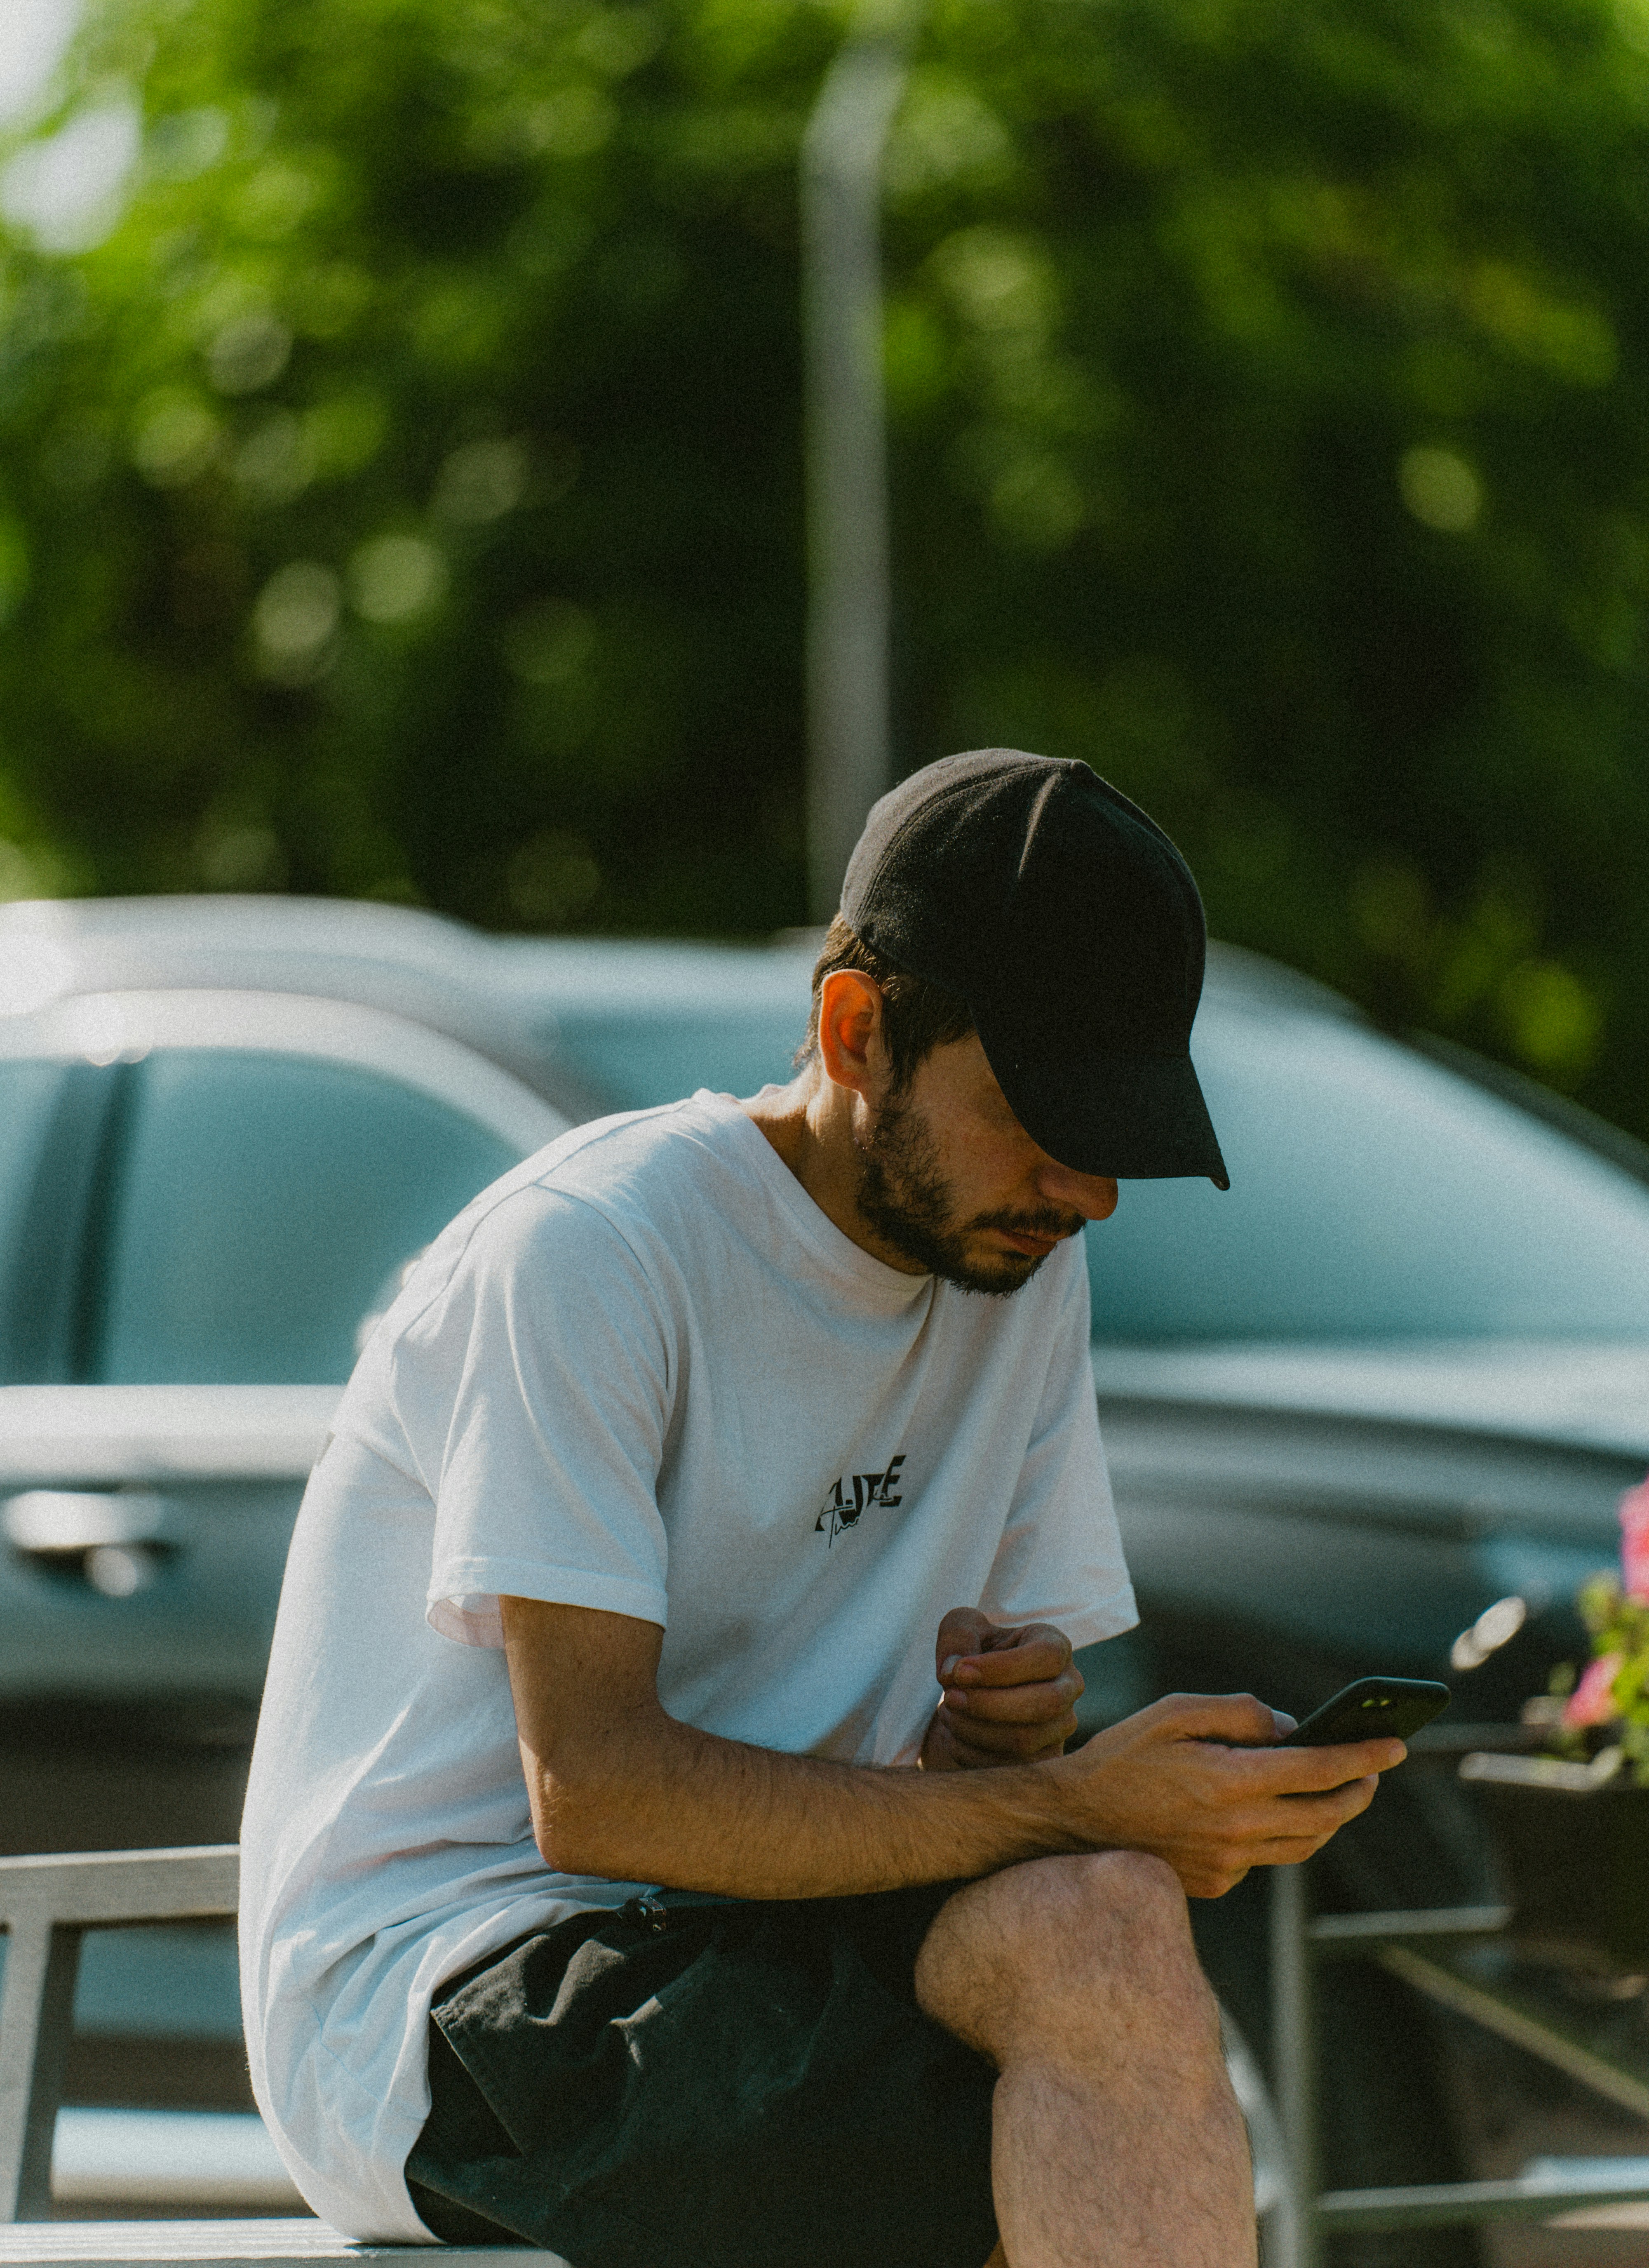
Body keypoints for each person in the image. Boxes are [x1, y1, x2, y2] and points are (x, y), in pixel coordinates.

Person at [240, 749, 1402, 2268]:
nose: (1091, 1190)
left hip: (760, 1936)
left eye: (1120, 1131)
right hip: (457, 1992)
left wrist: (1009, 1737)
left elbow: (954, 1789)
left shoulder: (1016, 1269)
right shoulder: (591, 1254)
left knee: (1104, 1923)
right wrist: (1063, 1798)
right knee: (1068, 2014)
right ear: (857, 1029)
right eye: (1045, 1113)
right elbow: (598, 1795)